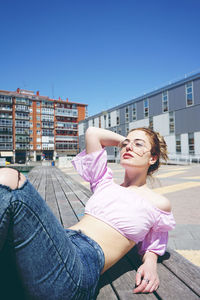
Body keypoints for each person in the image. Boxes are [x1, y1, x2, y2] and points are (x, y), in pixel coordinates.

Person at [0, 127, 175, 299]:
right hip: (61, 243)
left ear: (153, 157)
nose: (128, 147)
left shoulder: (158, 203)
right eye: (126, 144)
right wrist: (128, 143)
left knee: (9, 177)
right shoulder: (103, 182)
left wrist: (150, 264)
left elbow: (153, 244)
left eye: (138, 144)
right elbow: (93, 133)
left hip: (80, 264)